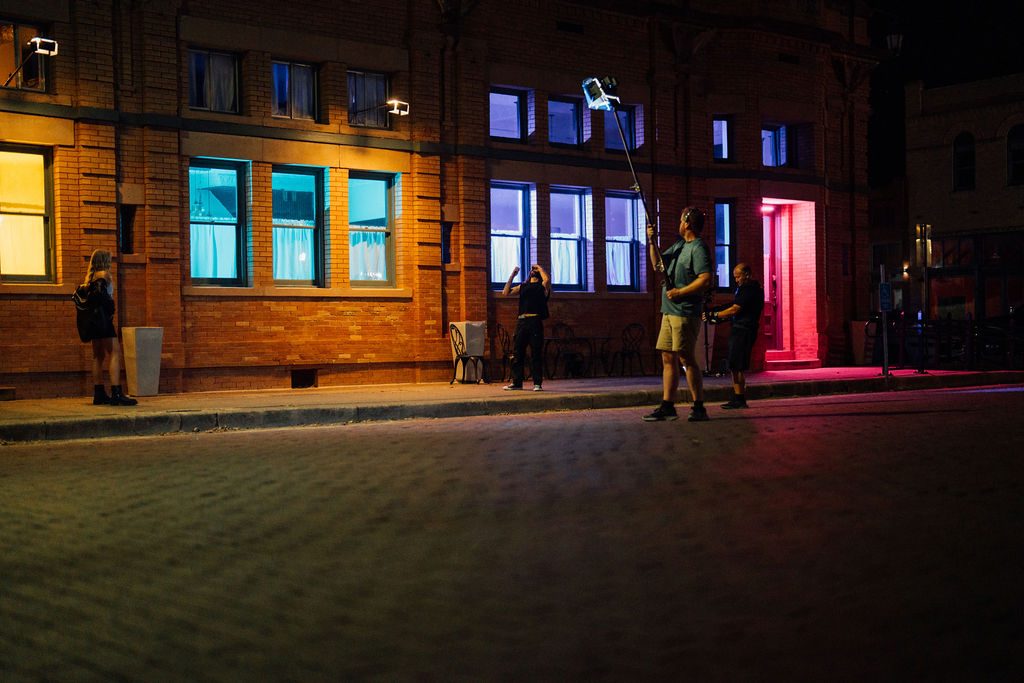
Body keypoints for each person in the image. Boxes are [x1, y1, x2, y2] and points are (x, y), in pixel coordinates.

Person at [643, 207, 712, 422]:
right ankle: (668, 405)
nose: (679, 224)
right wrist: (651, 242)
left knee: (685, 357)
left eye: (682, 220)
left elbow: (705, 278)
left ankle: (698, 406)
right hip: (669, 311)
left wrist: (680, 292)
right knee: (667, 355)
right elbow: (658, 265)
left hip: (684, 312)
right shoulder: (680, 245)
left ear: (688, 223)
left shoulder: (698, 247)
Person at [76, 249, 137, 406]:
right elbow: (104, 298)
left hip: (93, 322)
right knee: (115, 353)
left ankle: (99, 393)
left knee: (97, 356)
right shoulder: (104, 275)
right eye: (109, 259)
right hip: (103, 321)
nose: (111, 262)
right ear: (104, 261)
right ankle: (116, 392)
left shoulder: (90, 278)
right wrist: (111, 310)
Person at [704, 263, 764, 409]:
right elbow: (733, 305)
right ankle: (739, 397)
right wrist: (716, 312)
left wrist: (715, 315)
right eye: (735, 277)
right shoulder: (750, 289)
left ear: (747, 275)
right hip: (743, 329)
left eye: (738, 276)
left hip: (743, 330)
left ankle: (739, 399)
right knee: (735, 365)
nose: (736, 280)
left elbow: (735, 309)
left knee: (735, 365)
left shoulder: (748, 289)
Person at [502, 264, 551, 391]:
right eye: (532, 270)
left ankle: (537, 384)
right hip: (522, 322)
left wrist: (540, 267)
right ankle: (517, 383)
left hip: (535, 321)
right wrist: (512, 275)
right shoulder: (523, 286)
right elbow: (505, 292)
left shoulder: (542, 287)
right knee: (517, 353)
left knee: (536, 353)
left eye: (536, 271)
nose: (533, 271)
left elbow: (547, 280)